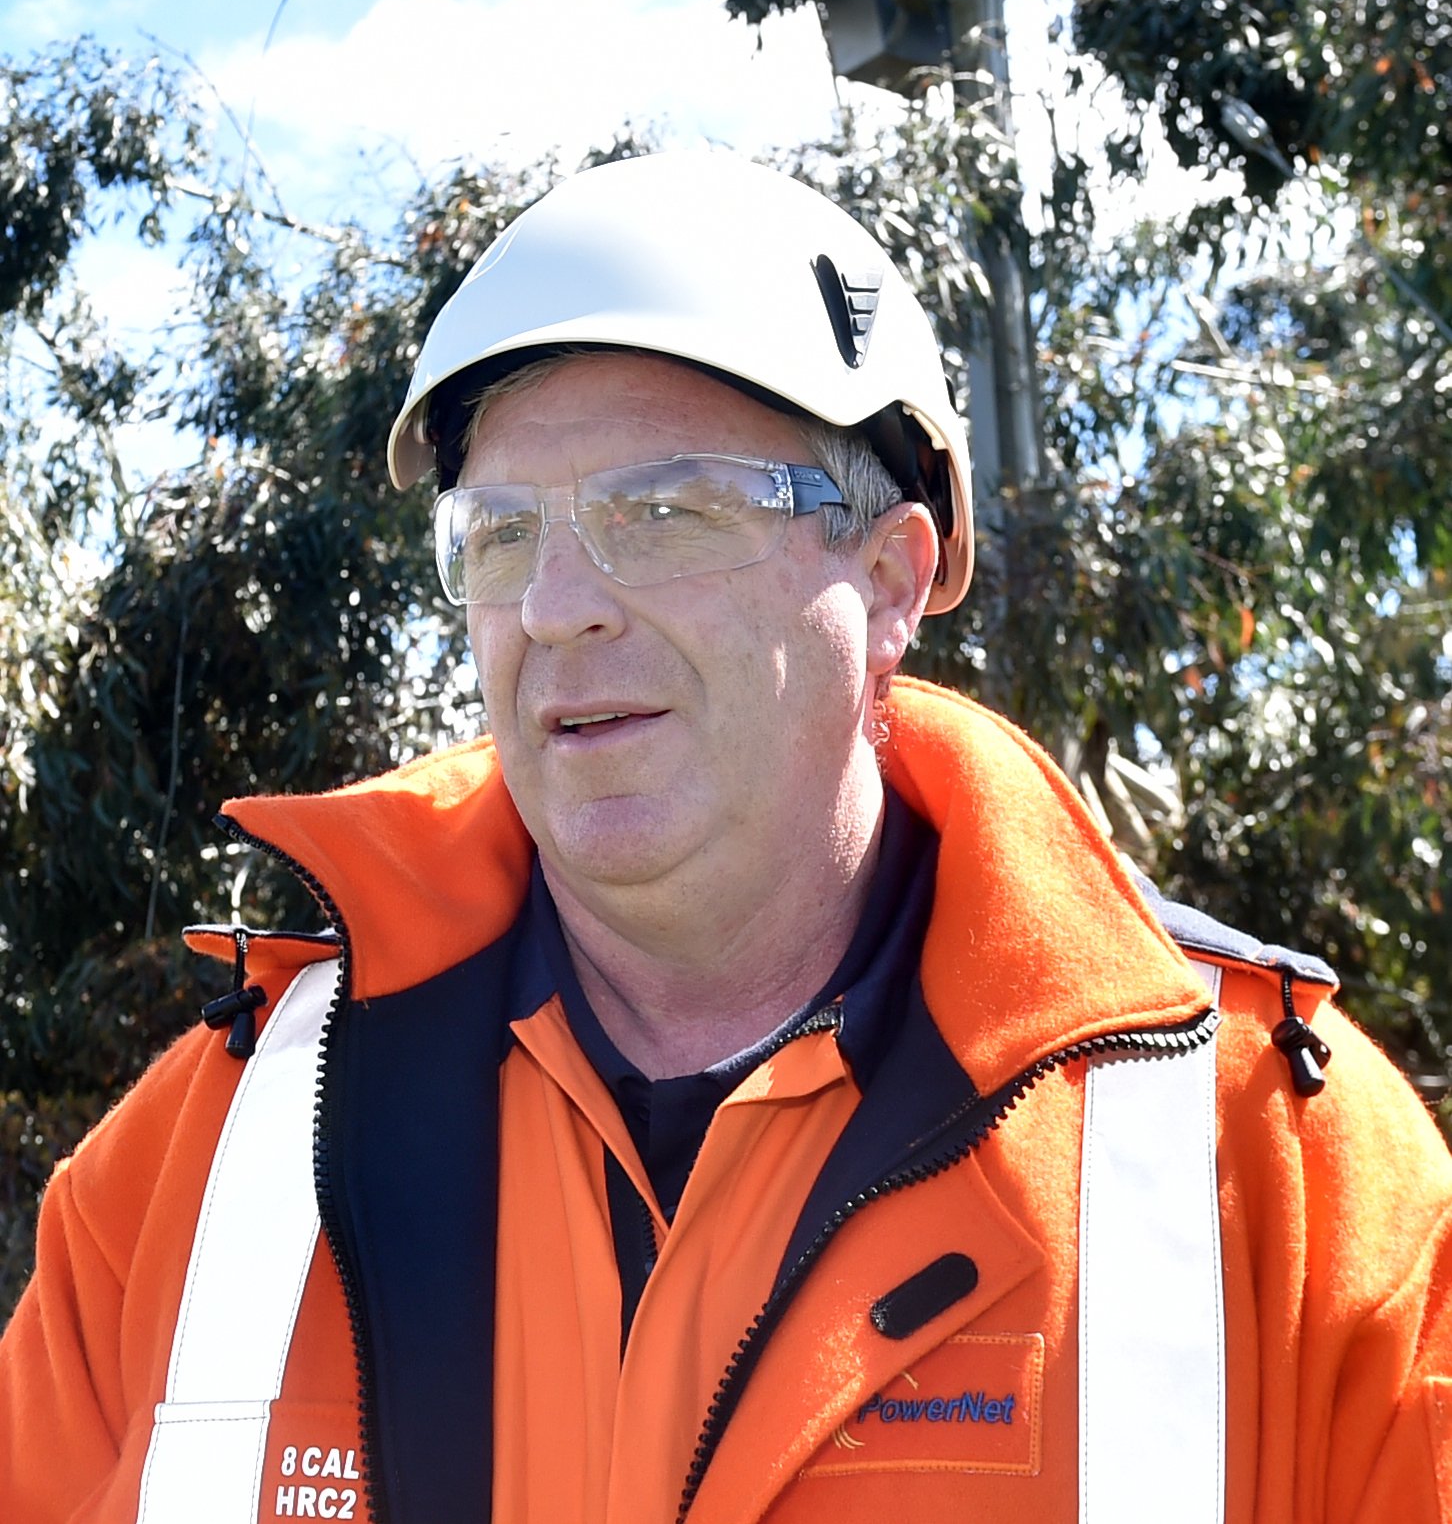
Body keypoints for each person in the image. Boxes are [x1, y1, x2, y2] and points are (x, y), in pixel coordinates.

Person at [1, 151, 1449, 1524]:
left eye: (665, 511)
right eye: (501, 534)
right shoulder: (200, 1164)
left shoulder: (1281, 1171)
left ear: (892, 579)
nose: (556, 606)